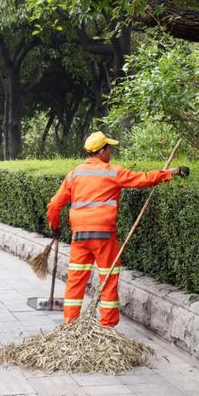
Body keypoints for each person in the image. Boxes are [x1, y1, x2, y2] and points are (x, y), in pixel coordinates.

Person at [46, 131, 189, 326]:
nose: (110, 153)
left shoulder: (74, 174)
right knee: (108, 280)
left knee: (76, 281)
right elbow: (144, 179)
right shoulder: (112, 172)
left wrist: (54, 227)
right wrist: (171, 172)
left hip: (79, 237)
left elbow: (54, 205)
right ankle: (107, 327)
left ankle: (70, 324)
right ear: (102, 151)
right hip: (104, 236)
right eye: (109, 149)